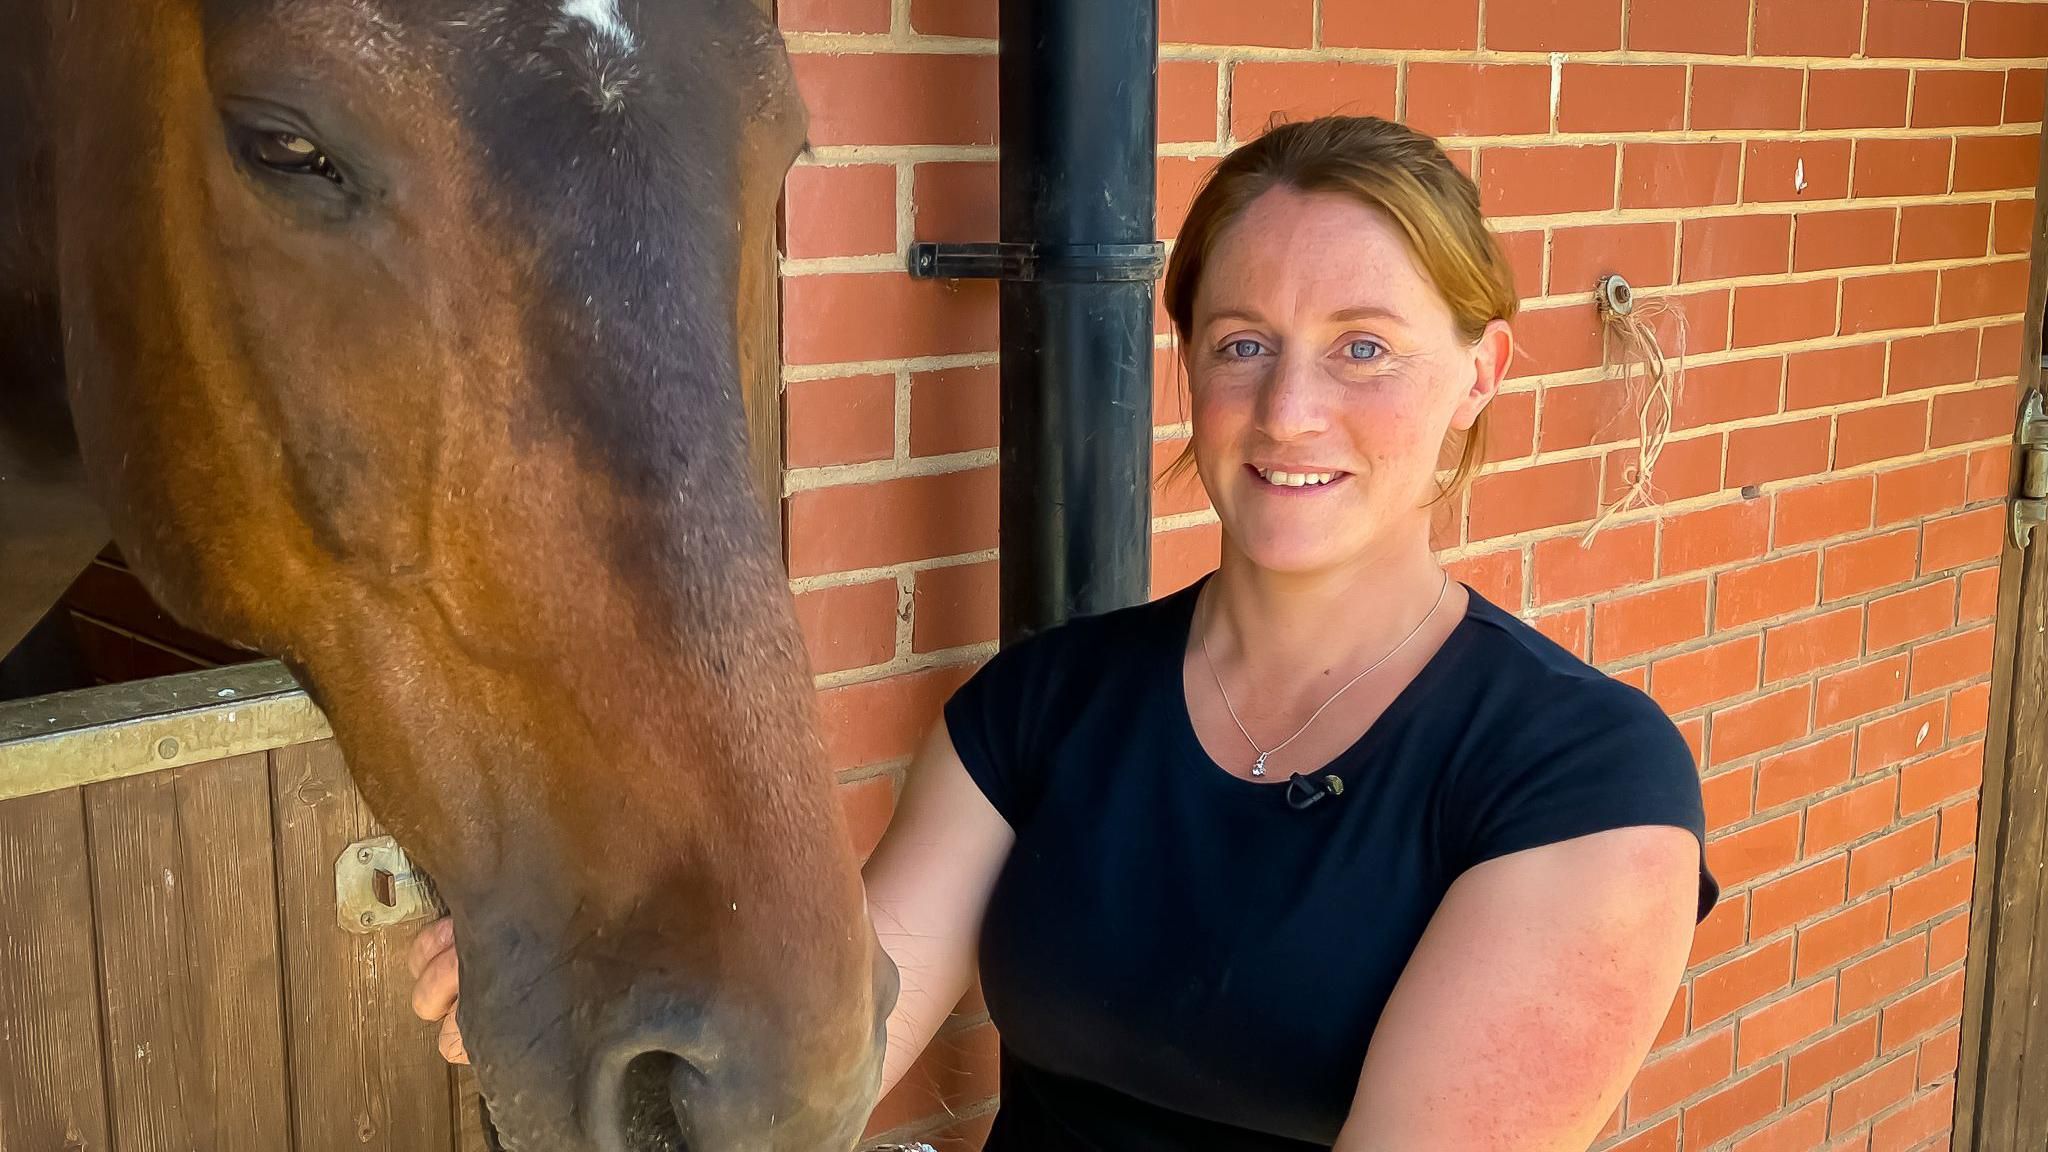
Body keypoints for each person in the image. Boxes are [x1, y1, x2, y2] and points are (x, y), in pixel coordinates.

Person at [410, 114, 1718, 1151]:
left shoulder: (1583, 780)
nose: (1291, 413)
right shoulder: (1046, 707)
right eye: (1243, 343)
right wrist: (604, 979)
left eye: (1364, 349)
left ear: (1479, 375)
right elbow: (827, 1065)